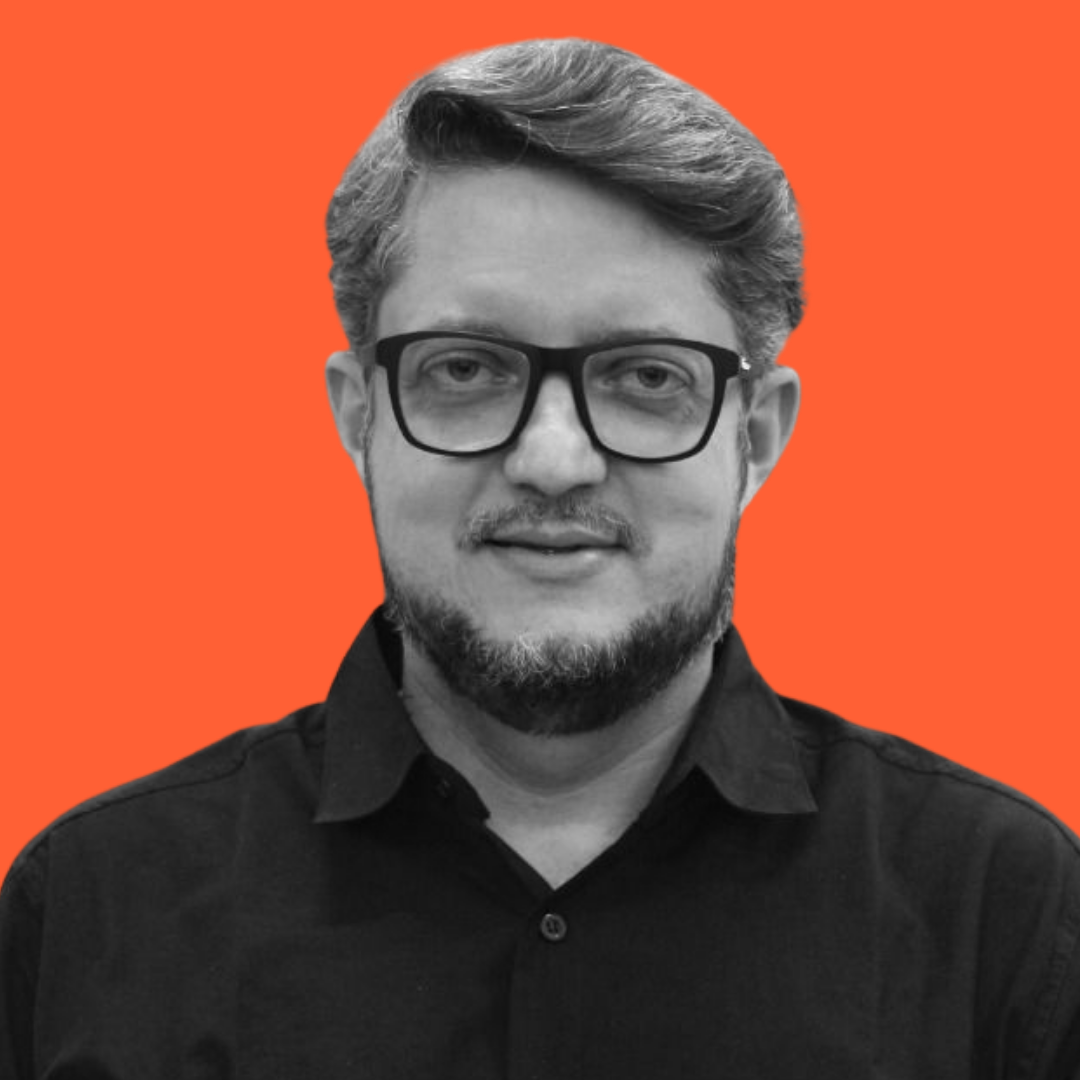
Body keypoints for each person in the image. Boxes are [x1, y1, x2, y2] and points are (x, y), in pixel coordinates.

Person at [2, 37, 1078, 1079]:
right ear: (360, 417)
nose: (554, 461)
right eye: (466, 369)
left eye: (647, 378)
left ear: (754, 437)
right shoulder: (91, 910)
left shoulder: (1005, 914)